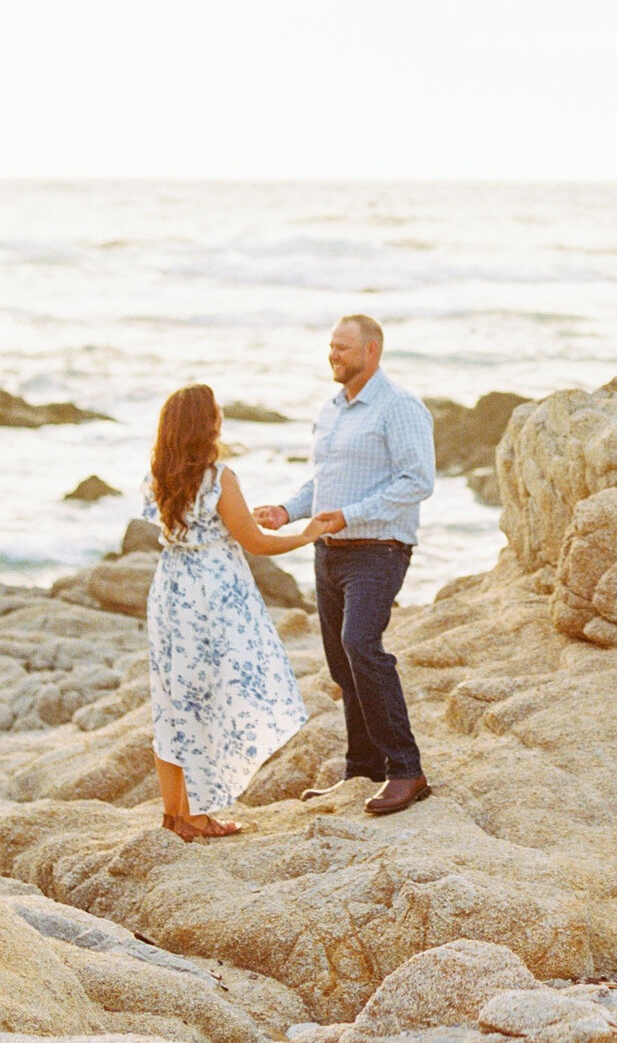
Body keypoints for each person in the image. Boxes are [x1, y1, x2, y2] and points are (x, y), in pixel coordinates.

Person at [255, 314, 436, 815]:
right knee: (342, 663)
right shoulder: (331, 410)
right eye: (331, 347)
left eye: (343, 348)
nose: (333, 355)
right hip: (328, 553)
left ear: (372, 351)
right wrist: (287, 512)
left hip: (377, 551)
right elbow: (324, 484)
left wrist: (350, 516)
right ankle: (361, 771)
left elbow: (417, 481)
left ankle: (406, 770)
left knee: (363, 647)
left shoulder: (399, 407)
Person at [143, 382, 332, 841]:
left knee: (172, 702)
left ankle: (175, 814)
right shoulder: (218, 478)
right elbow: (256, 542)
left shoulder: (156, 475)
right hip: (212, 595)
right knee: (209, 702)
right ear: (206, 424)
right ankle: (199, 816)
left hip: (171, 590)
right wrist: (307, 534)